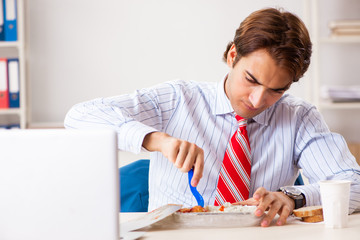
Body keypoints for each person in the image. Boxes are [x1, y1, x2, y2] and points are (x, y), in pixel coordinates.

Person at [64, 8, 360, 227]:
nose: (258, 100)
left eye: (276, 90)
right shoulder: (179, 99)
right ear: (233, 55)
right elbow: (79, 116)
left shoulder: (299, 117)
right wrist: (156, 139)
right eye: (251, 79)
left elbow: (354, 186)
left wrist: (293, 197)